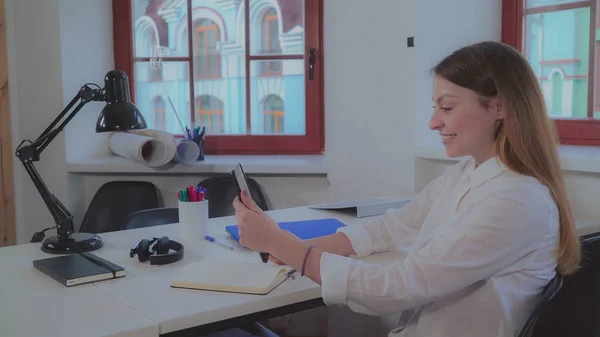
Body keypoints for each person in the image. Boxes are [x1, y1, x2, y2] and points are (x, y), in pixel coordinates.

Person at [223, 40, 582, 337]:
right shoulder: (469, 173)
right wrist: (297, 248)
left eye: (447, 107)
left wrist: (281, 244)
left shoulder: (516, 200)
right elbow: (394, 226)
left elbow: (401, 285)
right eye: (435, 107)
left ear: (498, 106)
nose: (433, 121)